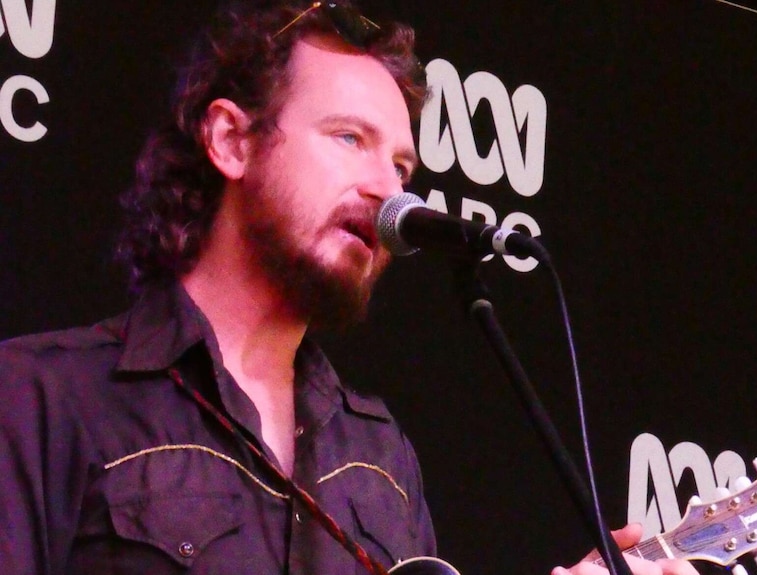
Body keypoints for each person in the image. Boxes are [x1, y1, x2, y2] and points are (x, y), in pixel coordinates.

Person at [0, 2, 697, 575]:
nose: (387, 191)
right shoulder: (43, 395)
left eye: (401, 165)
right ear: (231, 141)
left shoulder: (379, 457)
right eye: (348, 138)